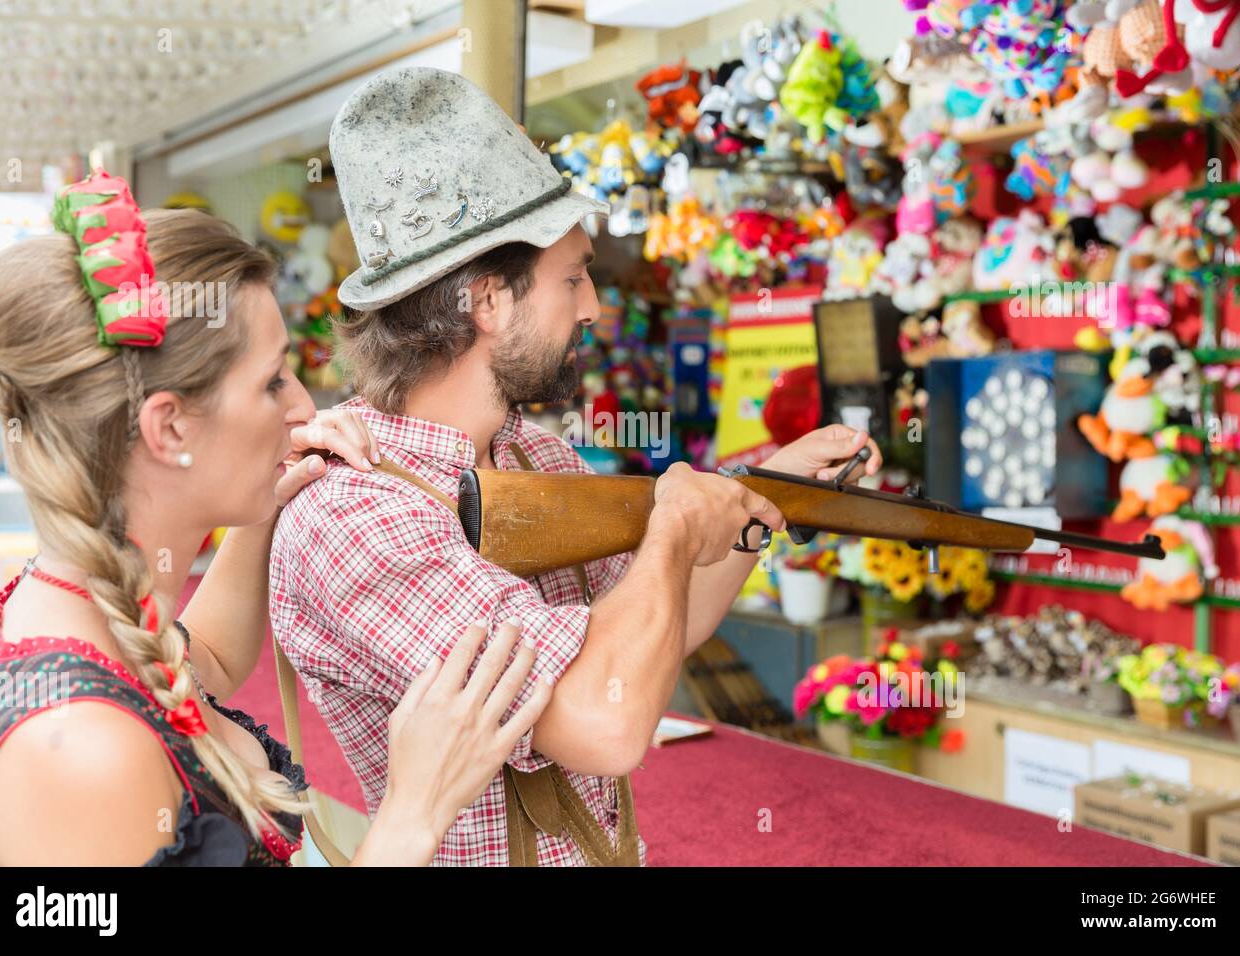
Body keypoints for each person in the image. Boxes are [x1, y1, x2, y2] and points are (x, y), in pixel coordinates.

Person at [268, 66, 881, 866]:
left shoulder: (536, 454)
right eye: (572, 277)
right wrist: (670, 530)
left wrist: (764, 497)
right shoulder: (355, 517)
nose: (592, 306)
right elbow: (604, 720)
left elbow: (656, 631)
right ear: (486, 302)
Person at [0, 170, 552, 866]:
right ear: (170, 429)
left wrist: (263, 503)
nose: (306, 407)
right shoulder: (84, 751)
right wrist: (413, 812)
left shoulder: (78, 608)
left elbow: (202, 663)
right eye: (273, 382)